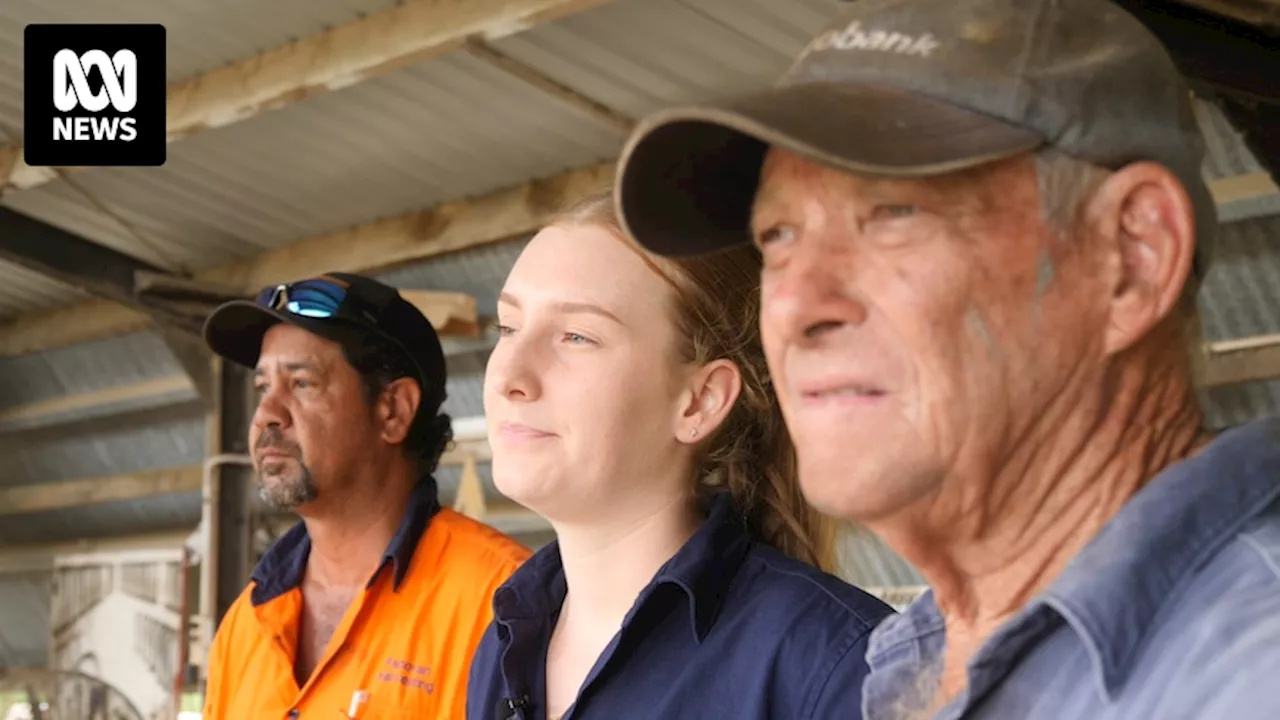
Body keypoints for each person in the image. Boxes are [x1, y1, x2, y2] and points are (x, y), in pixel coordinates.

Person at [611, 0, 1280, 717]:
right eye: (777, 234)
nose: (795, 306)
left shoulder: (1249, 673)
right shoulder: (917, 653)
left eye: (893, 214)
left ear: (1131, 257)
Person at [466, 191, 894, 719]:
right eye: (508, 328)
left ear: (700, 401)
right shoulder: (508, 639)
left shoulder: (840, 669)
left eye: (576, 336)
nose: (509, 377)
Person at [199, 272, 531, 718]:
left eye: (301, 383)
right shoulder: (247, 623)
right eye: (263, 387)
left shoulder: (501, 604)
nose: (266, 415)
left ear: (392, 410)